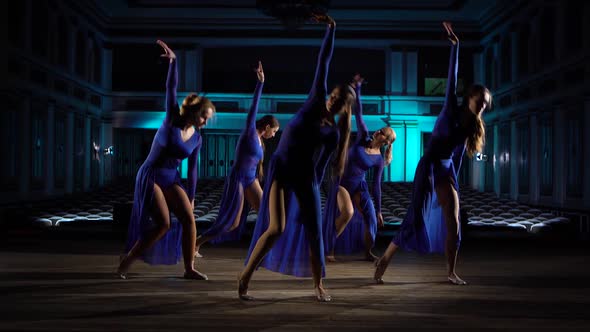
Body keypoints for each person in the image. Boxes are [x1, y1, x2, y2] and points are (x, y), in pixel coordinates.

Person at [238, 14, 355, 302]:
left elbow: (321, 167)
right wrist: (331, 29)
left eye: (338, 100)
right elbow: (323, 62)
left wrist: (310, 196)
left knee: (314, 233)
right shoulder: (316, 98)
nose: (332, 100)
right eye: (333, 95)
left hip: (307, 179)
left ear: (343, 108)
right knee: (276, 227)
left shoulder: (333, 135)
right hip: (282, 169)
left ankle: (318, 285)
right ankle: (245, 278)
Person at [373, 22, 491, 286]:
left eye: (485, 104)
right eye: (479, 101)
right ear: (469, 97)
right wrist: (457, 47)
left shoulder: (472, 126)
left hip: (446, 169)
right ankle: (385, 258)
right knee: (415, 216)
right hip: (428, 166)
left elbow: (458, 156)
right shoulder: (451, 108)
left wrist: (453, 180)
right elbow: (451, 80)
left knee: (454, 219)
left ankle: (450, 270)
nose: (482, 106)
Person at [117, 40, 215, 280]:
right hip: (151, 175)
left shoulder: (198, 138)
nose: (205, 121)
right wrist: (173, 62)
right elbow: (171, 88)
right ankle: (127, 260)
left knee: (190, 220)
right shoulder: (172, 118)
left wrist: (191, 196)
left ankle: (189, 268)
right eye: (204, 116)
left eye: (208, 118)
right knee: (163, 225)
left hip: (172, 178)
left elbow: (193, 171)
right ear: (194, 112)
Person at [195, 62, 279, 256]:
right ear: (266, 126)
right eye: (273, 131)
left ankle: (264, 249)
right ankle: (197, 242)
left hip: (251, 179)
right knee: (231, 223)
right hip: (239, 179)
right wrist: (260, 84)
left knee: (266, 214)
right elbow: (253, 109)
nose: (274, 135)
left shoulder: (260, 141)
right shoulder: (250, 132)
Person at [323, 74, 396, 262]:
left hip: (359, 186)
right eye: (380, 130)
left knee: (371, 219)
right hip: (340, 182)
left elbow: (377, 186)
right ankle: (327, 248)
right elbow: (359, 113)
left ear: (386, 141)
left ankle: (367, 252)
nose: (378, 131)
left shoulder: (379, 160)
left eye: (383, 133)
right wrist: (358, 89)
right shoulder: (364, 136)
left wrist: (379, 210)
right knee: (348, 212)